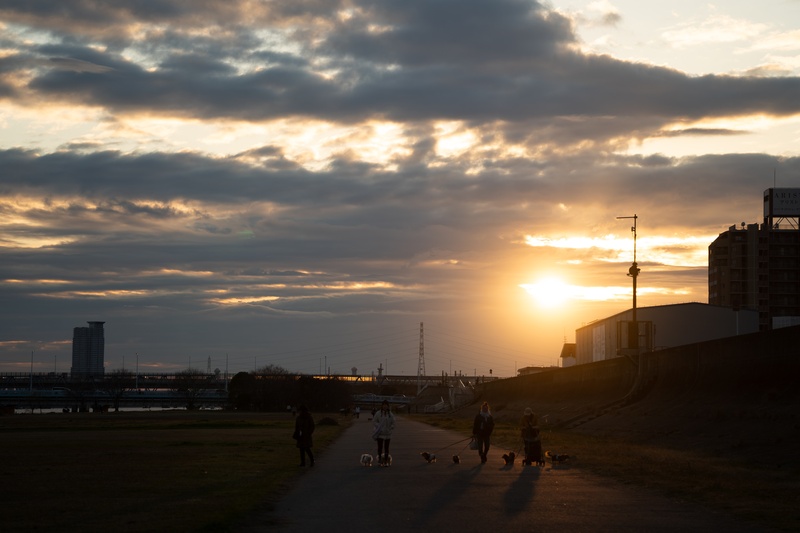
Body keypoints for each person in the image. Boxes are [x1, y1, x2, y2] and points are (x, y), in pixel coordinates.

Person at [372, 400, 395, 466]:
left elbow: (393, 422)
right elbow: (374, 421)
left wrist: (391, 427)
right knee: (380, 447)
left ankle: (386, 461)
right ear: (382, 406)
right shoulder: (378, 413)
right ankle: (380, 460)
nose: (385, 407)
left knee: (386, 448)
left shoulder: (390, 414)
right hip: (380, 433)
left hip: (388, 434)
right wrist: (378, 426)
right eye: (384, 405)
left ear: (388, 406)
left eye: (386, 405)